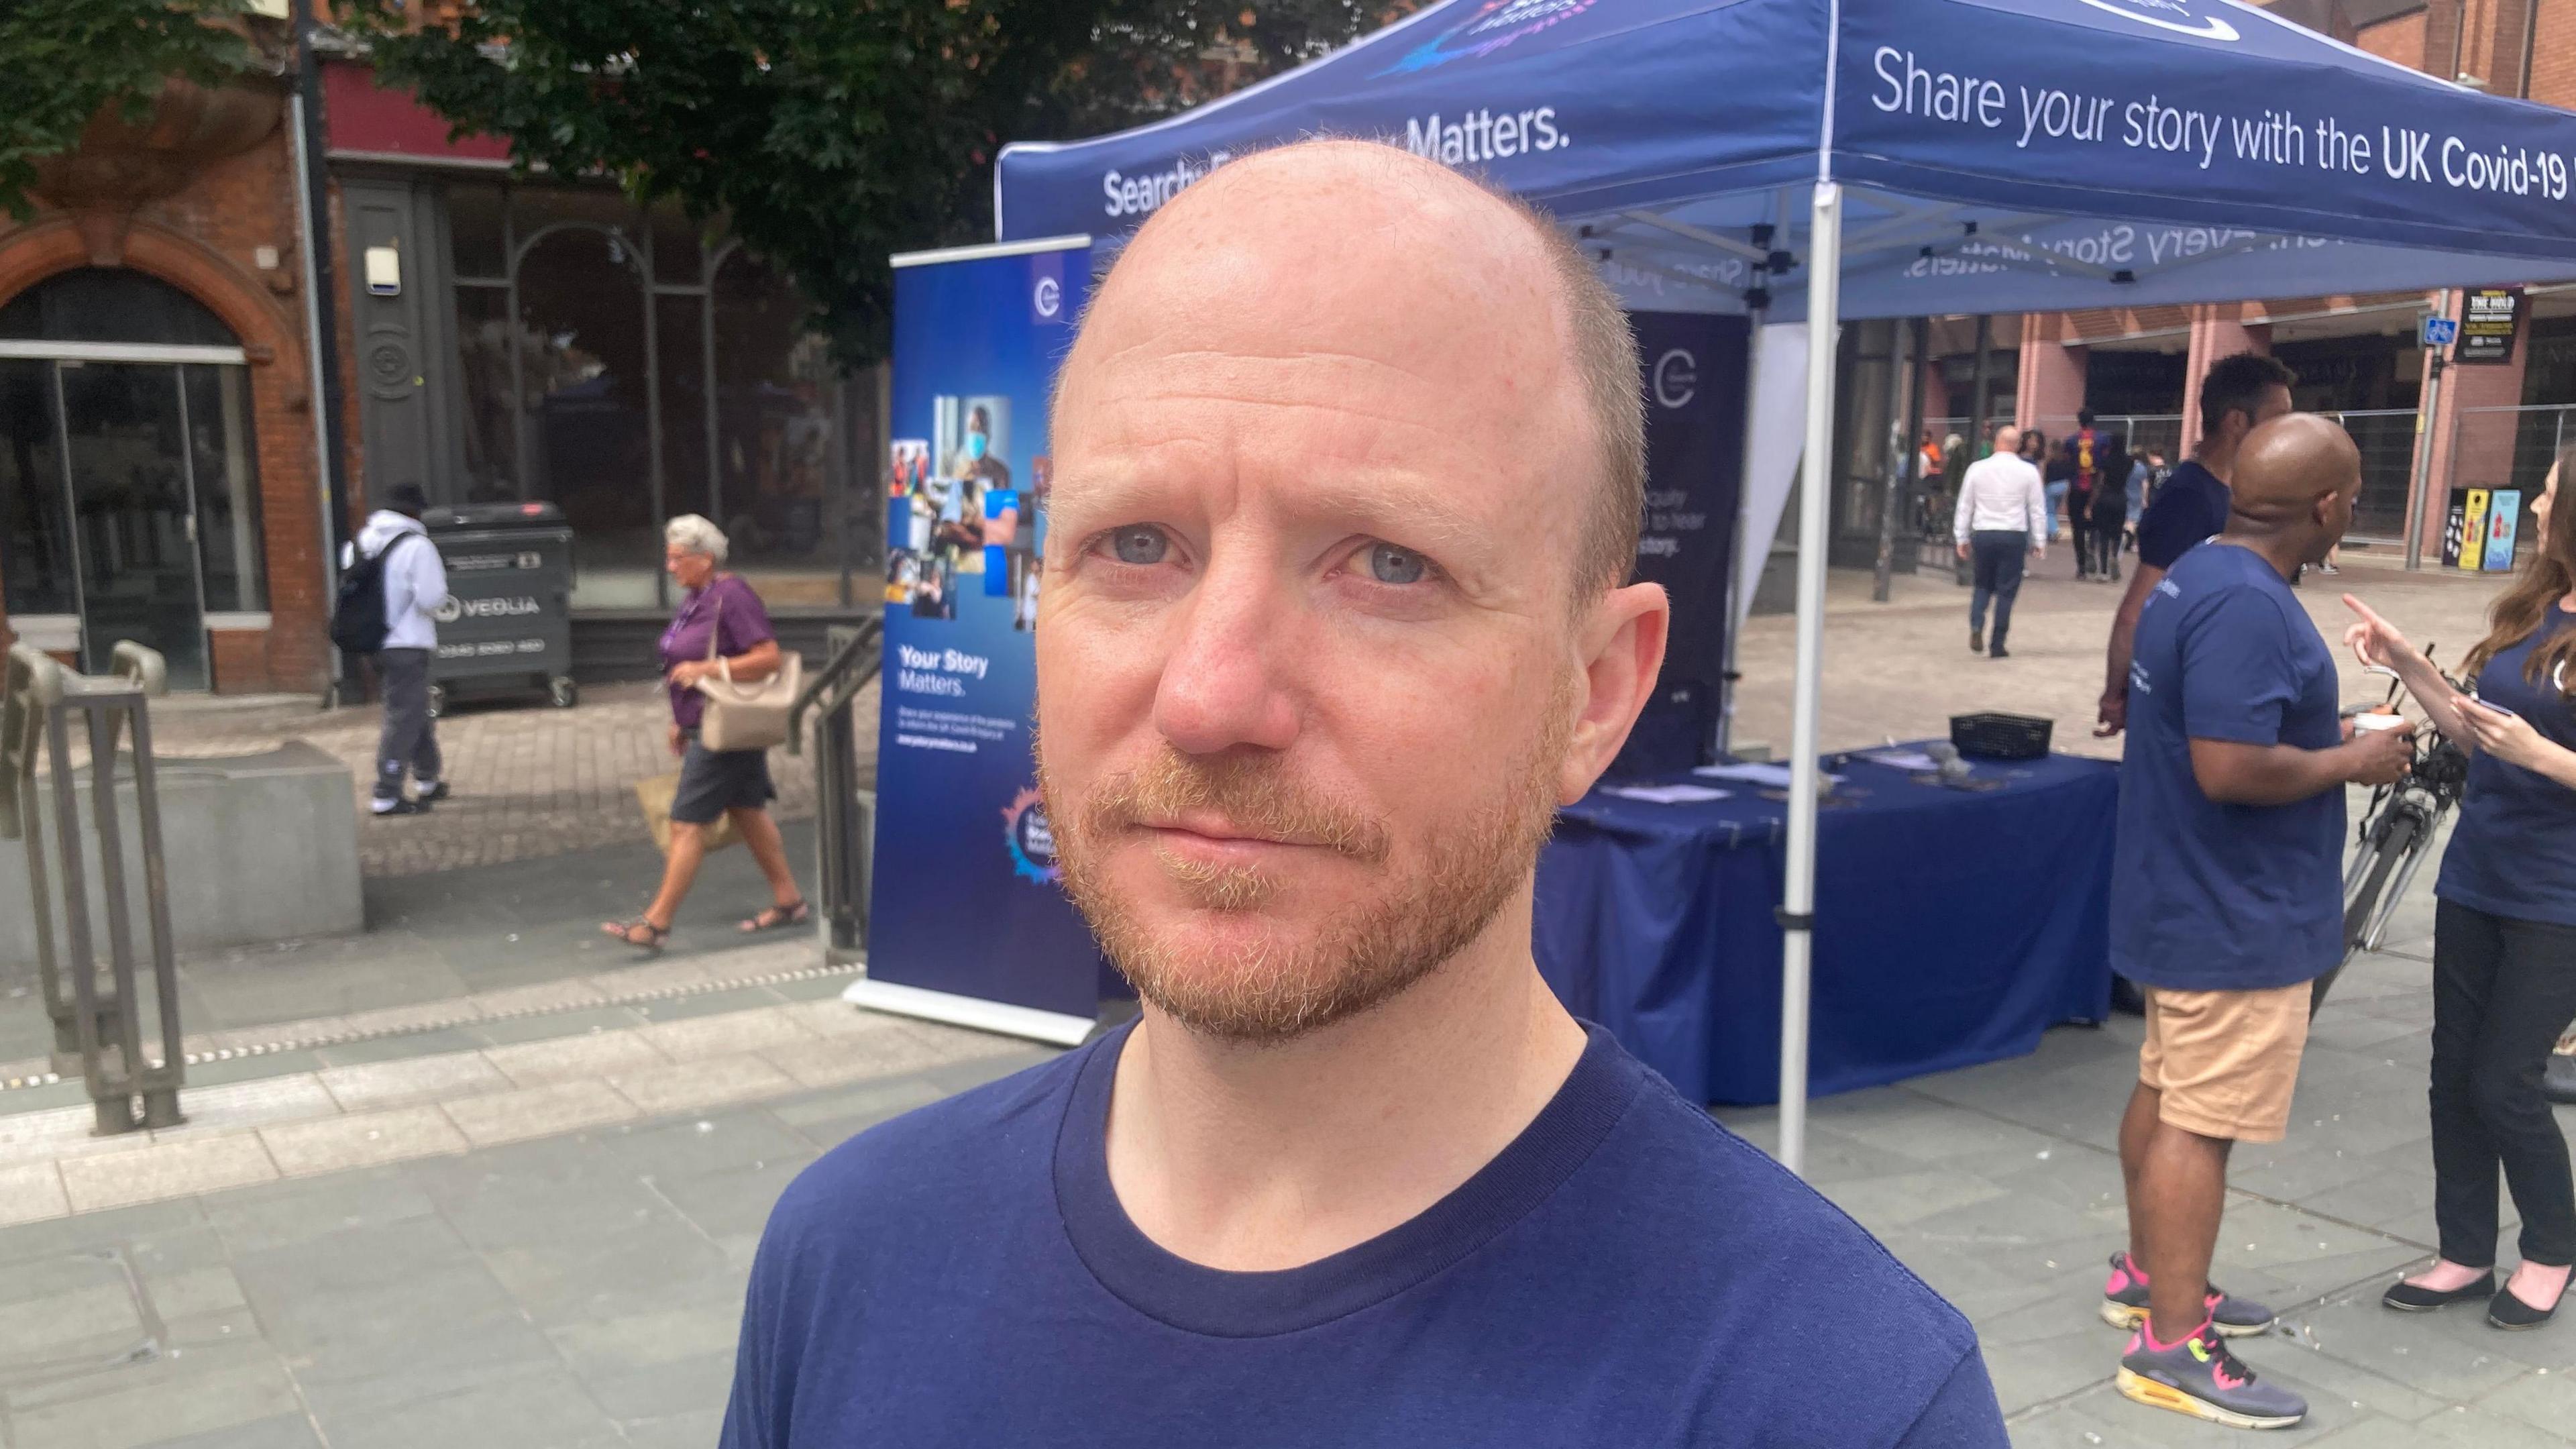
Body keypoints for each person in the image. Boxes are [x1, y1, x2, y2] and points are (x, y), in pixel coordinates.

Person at [720, 140, 2006, 1449]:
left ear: (1598, 690)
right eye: (1137, 546)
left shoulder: (1836, 1403)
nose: (1209, 699)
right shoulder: (845, 1263)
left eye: (1388, 563)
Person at [2102, 414, 2411, 1430]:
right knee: (2202, 1117)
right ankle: (2172, 1345)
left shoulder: (2198, 571)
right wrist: (2354, 760)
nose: (2350, 511)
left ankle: (2154, 1280)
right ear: (2326, 508)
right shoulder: (2248, 605)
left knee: (2168, 1085)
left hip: (2182, 894)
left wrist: (2329, 733)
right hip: (2231, 912)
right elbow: (2229, 768)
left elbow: (2231, 726)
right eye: (2351, 496)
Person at [2343, 452, 2576, 1330]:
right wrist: (2411, 663)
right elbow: (2481, 735)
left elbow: (2525, 747)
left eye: (2551, 495)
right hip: (2480, 873)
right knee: (2451, 1073)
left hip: (2559, 896)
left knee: (2505, 1079)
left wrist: (2541, 755)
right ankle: (2464, 1252)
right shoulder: (2534, 610)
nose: (2537, 505)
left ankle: (2552, 1248)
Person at [602, 516, 807, 952]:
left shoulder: (731, 595)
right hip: (710, 723)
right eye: (668, 557)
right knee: (747, 811)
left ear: (705, 559)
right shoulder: (698, 597)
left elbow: (768, 657)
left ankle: (656, 924)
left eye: (677, 558)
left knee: (685, 822)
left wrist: (707, 670)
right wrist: (681, 719)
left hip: (723, 731)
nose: (670, 567)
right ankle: (789, 900)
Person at [2095, 354, 2298, 737]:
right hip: (2183, 710)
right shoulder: (2189, 498)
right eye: (2279, 416)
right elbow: (2136, 612)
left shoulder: (2227, 492)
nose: (2286, 430)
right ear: (2237, 421)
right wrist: (2115, 694)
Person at [343, 482, 450, 817]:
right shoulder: (418, 547)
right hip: (408, 644)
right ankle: (386, 792)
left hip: (372, 643)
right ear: (414, 512)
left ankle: (427, 778)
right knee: (403, 715)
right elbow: (432, 599)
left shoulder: (357, 545)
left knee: (413, 707)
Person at [1954, 423, 2048, 659]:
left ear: (1996, 442)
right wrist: (2039, 540)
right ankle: (1998, 643)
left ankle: (1976, 624)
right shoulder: (2028, 472)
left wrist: (1961, 536)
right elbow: (2037, 509)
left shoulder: (1977, 469)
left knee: (1982, 584)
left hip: (1984, 532)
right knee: (2007, 591)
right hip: (2013, 533)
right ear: (2018, 446)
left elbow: (1965, 505)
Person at [2088, 431, 2133, 583]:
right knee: (2117, 532)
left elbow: (2100, 482)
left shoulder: (2105, 461)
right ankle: (2115, 557)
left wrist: (2091, 503)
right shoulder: (2129, 461)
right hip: (2121, 497)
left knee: (2104, 535)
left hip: (2106, 497)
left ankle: (2104, 571)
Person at [2069, 411, 2105, 579]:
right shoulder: (2103, 439)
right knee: (2096, 524)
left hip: (2077, 487)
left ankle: (2081, 566)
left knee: (2077, 529)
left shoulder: (2071, 441)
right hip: (2096, 487)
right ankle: (2092, 548)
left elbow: (2067, 462)